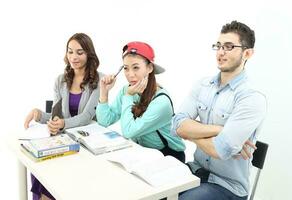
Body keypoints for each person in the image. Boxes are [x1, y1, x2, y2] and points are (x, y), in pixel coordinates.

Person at [172, 21, 267, 200]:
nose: (221, 52)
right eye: (219, 46)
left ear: (247, 53)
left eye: (229, 46)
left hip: (228, 187)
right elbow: (176, 124)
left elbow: (220, 149)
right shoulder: (202, 85)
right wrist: (221, 130)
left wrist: (189, 132)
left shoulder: (252, 98)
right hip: (195, 171)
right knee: (152, 190)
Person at [24, 33, 102, 200]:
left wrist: (62, 123)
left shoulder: (98, 80)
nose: (74, 57)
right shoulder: (60, 80)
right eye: (70, 51)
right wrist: (39, 115)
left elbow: (87, 116)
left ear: (89, 54)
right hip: (64, 139)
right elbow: (56, 114)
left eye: (80, 52)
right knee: (40, 169)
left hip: (86, 142)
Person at [96, 41, 186, 162]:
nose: (130, 74)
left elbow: (129, 132)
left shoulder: (161, 102)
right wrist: (104, 92)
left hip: (168, 156)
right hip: (143, 152)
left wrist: (128, 95)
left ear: (149, 68)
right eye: (126, 68)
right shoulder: (127, 90)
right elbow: (105, 121)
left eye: (136, 67)